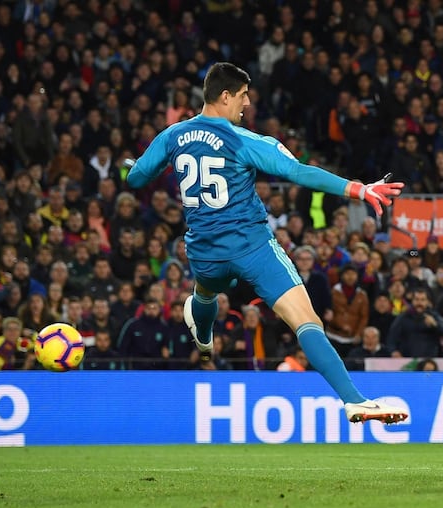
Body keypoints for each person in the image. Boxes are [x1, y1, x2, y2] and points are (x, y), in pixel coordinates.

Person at [126, 62, 407, 424]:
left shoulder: (173, 135)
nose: (246, 105)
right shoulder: (244, 140)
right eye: (242, 97)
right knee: (306, 322)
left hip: (204, 253)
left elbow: (136, 178)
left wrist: (144, 164)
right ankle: (353, 400)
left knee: (207, 292)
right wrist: (358, 188)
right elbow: (298, 172)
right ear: (225, 96)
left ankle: (203, 333)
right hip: (253, 248)